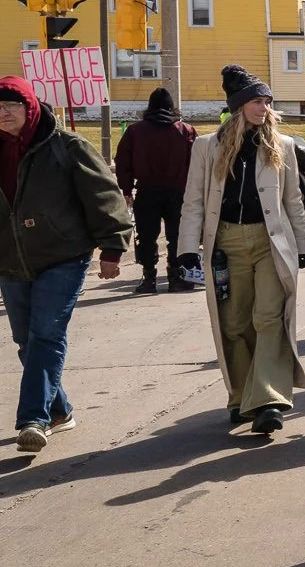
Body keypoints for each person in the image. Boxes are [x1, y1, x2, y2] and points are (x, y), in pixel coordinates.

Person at [178, 66, 305, 439]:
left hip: (270, 242)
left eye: (268, 102)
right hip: (226, 245)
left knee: (269, 318)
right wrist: (187, 248)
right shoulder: (207, 146)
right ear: (238, 106)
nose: (264, 108)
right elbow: (192, 201)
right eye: (257, 101)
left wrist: (302, 244)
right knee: (234, 324)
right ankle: (241, 396)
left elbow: (292, 201)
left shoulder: (281, 145)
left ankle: (268, 400)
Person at [0, 78, 130, 453]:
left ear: (30, 108)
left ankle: (33, 419)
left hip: (64, 255)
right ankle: (60, 411)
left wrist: (112, 248)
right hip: (11, 259)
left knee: (45, 334)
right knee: (26, 340)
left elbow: (104, 194)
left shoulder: (66, 146)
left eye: (12, 105)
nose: (4, 113)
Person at [114, 86, 198, 294]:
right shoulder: (185, 130)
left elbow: (123, 162)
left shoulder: (135, 131)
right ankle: (175, 276)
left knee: (147, 235)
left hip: (146, 190)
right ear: (172, 108)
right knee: (176, 235)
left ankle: (149, 277)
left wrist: (126, 190)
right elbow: (196, 163)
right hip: (179, 192)